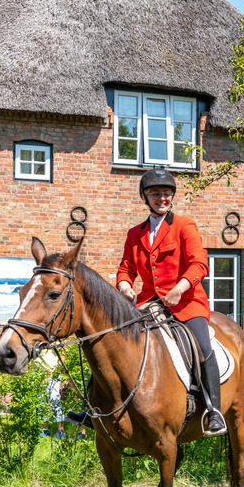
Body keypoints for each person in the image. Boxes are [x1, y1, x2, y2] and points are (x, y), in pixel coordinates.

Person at [68, 168, 226, 436]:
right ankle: (92, 407)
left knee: (202, 344)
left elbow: (199, 264)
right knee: (110, 342)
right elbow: (126, 268)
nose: (161, 198)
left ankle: (213, 410)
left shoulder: (185, 225)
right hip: (149, 304)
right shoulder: (135, 233)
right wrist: (125, 285)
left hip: (186, 302)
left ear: (172, 196)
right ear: (145, 197)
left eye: (166, 193)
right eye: (155, 193)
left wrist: (180, 288)